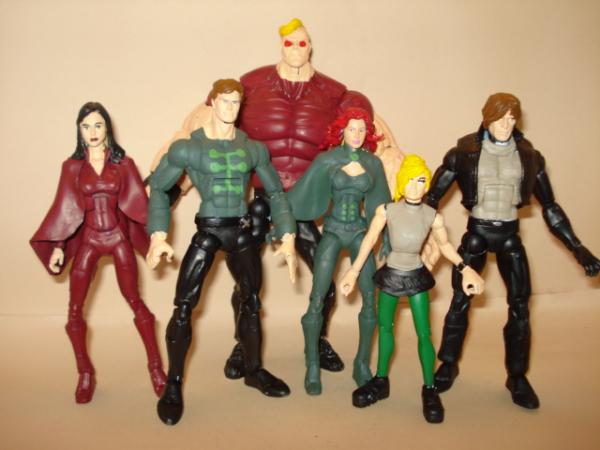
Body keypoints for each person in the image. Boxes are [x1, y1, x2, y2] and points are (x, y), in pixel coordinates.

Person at [150, 18, 406, 376]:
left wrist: (403, 209)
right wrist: (167, 191)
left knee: (324, 279)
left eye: (302, 43)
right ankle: (242, 346)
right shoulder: (249, 86)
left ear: (310, 47)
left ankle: (318, 339)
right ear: (280, 45)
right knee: (245, 283)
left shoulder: (336, 94)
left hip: (301, 203)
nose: (296, 49)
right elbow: (199, 133)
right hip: (259, 200)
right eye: (289, 43)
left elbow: (381, 148)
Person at [426, 92, 600, 409]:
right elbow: (431, 198)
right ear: (487, 117)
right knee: (460, 300)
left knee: (520, 306)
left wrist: (578, 248)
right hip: (477, 234)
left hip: (509, 234)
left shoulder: (529, 156)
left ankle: (517, 376)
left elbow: (550, 207)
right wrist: (413, 236)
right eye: (500, 118)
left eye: (511, 118)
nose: (506, 125)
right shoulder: (463, 153)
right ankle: (448, 363)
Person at [147, 79, 298, 425]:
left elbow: (276, 193)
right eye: (225, 101)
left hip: (240, 230)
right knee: (184, 306)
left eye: (236, 102)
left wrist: (287, 234)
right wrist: (158, 234)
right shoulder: (189, 148)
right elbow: (158, 187)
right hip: (209, 230)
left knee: (251, 301)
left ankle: (253, 370)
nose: (231, 108)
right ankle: (173, 383)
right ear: (213, 103)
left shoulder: (252, 149)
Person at [30, 102, 167, 404]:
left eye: (98, 125)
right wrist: (58, 247)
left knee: (136, 302)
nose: (92, 132)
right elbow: (65, 209)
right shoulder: (72, 167)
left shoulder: (124, 163)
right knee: (74, 310)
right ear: (78, 130)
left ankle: (156, 368)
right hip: (90, 239)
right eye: (86, 126)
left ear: (107, 128)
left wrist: (156, 241)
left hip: (117, 238)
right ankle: (85, 372)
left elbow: (140, 205)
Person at [339, 154, 484, 423]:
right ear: (401, 183)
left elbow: (445, 246)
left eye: (421, 181)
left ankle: (429, 388)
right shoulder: (386, 211)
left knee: (424, 334)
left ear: (427, 184)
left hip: (416, 275)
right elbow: (369, 240)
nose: (415, 187)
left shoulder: (432, 216)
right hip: (392, 274)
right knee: (384, 328)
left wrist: (465, 268)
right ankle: (381, 380)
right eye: (410, 181)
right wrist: (353, 271)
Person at [286, 107, 390, 395]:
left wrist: (388, 236)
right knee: (317, 297)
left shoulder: (373, 162)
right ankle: (312, 363)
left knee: (370, 298)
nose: (357, 134)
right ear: (341, 130)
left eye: (362, 129)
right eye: (351, 129)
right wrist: (282, 223)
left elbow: (382, 202)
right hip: (332, 230)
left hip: (359, 232)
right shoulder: (327, 159)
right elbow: (301, 191)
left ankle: (361, 363)